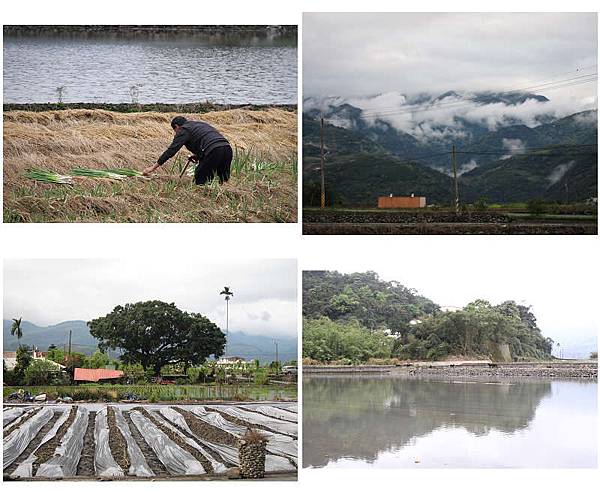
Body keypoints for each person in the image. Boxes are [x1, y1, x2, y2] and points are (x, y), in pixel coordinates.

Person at [143, 116, 233, 184]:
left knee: (200, 179)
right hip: (227, 148)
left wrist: (153, 168)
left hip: (213, 150)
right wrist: (198, 156)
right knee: (223, 180)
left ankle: (203, 202)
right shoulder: (200, 124)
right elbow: (206, 139)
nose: (176, 133)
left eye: (175, 130)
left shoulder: (183, 130)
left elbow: (171, 150)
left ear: (176, 126)